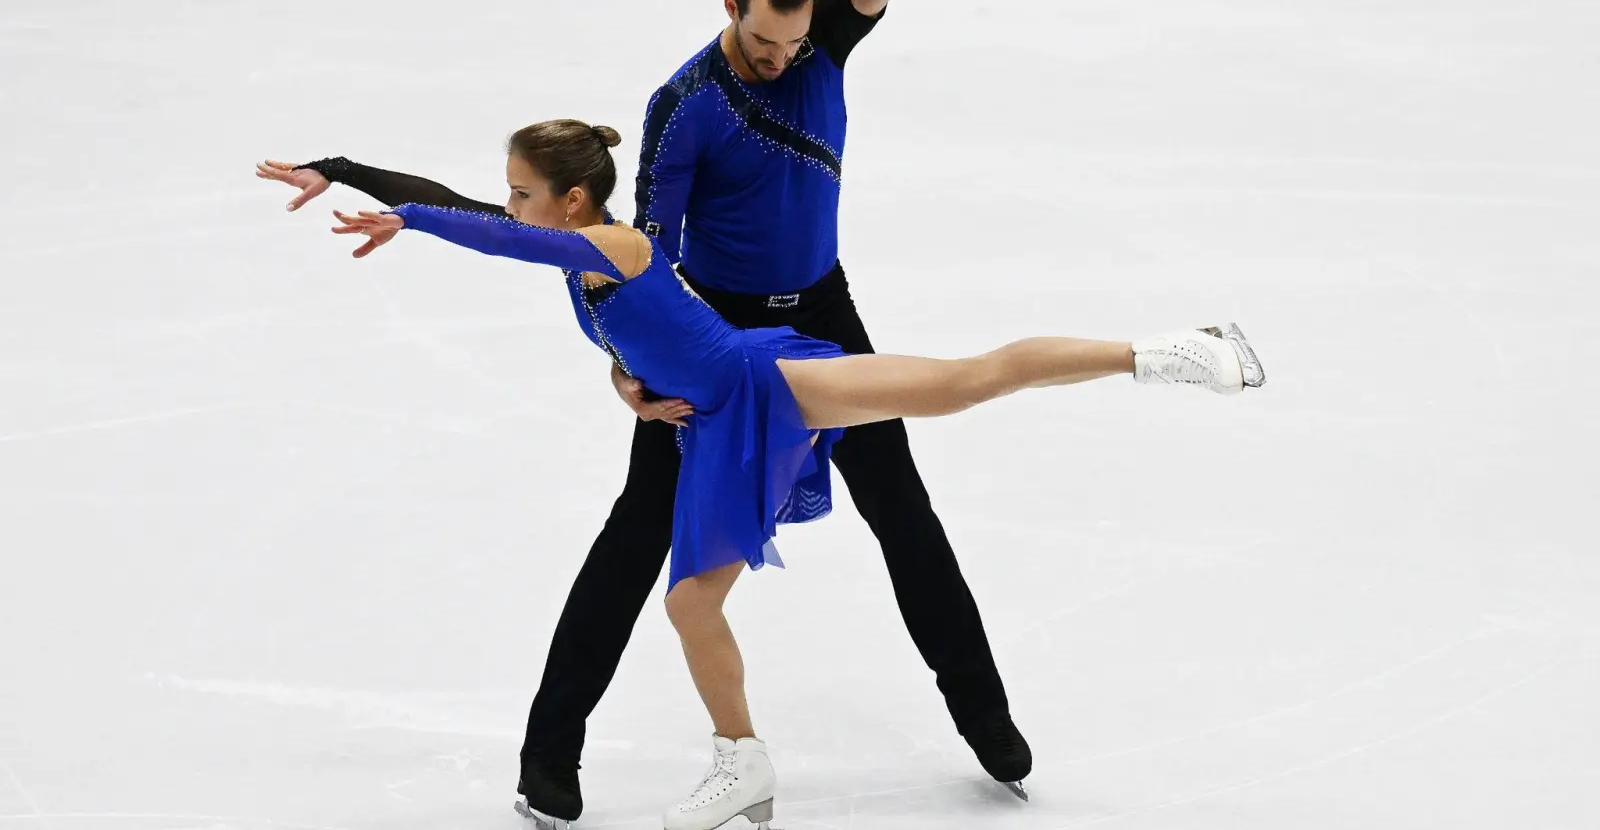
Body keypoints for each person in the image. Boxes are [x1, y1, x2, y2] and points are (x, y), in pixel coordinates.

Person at [257, 118, 1266, 830]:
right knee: (692, 607)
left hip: (768, 383)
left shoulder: (609, 241)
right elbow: (473, 210)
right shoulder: (574, 255)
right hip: (715, 426)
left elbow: (483, 228)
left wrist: (418, 225)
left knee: (961, 382)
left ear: (569, 200)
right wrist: (345, 168)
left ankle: (1171, 351)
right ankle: (741, 764)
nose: (511, 203)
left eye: (525, 191)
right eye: (513, 192)